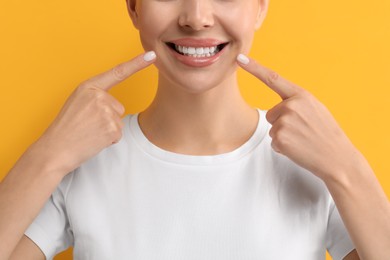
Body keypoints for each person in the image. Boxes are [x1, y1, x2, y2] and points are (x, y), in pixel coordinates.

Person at [1, 0, 389, 259]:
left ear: (260, 8)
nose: (196, 17)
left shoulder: (318, 165)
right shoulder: (78, 163)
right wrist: (46, 156)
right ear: (134, 8)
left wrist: (347, 168)